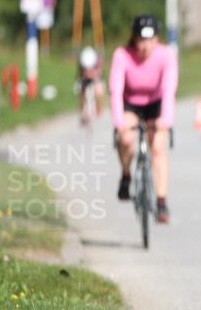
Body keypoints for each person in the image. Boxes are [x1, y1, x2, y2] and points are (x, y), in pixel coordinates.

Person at [110, 15, 179, 223]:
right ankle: (126, 175)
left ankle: (161, 201)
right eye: (141, 40)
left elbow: (169, 90)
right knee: (127, 140)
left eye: (150, 40)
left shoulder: (166, 56)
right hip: (131, 102)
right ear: (134, 38)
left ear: (157, 39)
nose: (145, 46)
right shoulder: (122, 55)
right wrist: (119, 123)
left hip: (155, 104)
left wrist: (166, 119)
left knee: (158, 147)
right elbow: (115, 90)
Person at [76, 46, 104, 124]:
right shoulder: (83, 63)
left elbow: (98, 75)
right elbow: (80, 75)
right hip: (84, 80)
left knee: (98, 89)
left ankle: (99, 108)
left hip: (95, 79)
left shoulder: (96, 63)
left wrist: (94, 77)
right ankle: (82, 110)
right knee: (81, 92)